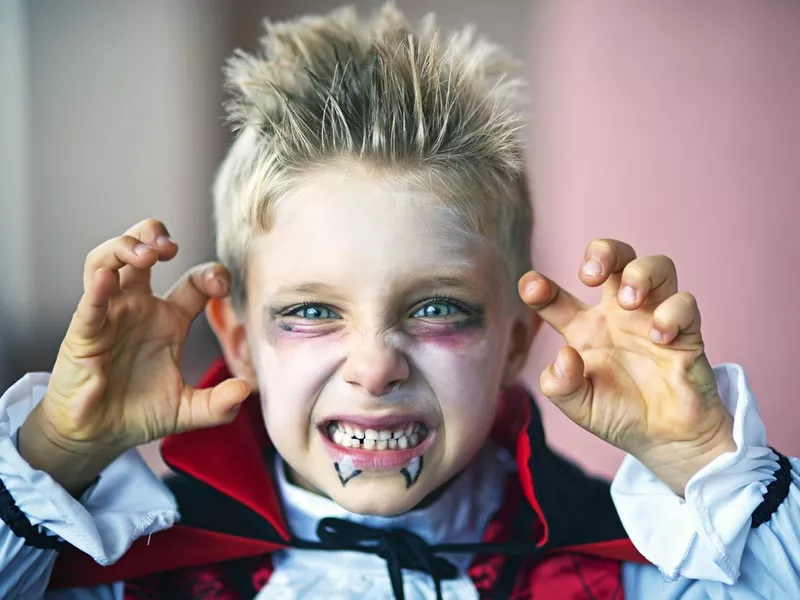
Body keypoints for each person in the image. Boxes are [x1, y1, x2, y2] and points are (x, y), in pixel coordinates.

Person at [0, 5, 797, 599]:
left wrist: (701, 463)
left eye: (438, 308)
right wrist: (57, 456)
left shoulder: (635, 568)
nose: (376, 367)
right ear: (238, 342)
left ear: (517, 342)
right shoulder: (121, 568)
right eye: (311, 311)